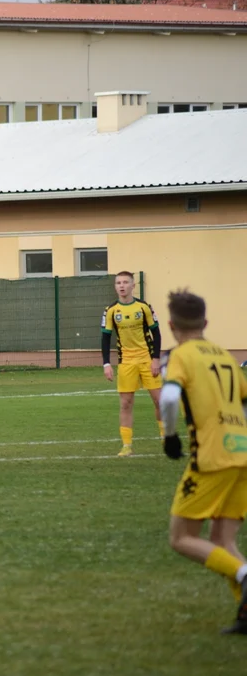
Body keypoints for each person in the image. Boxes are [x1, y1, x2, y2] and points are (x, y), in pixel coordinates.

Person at [159, 289, 247, 634]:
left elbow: (168, 397)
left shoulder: (182, 355)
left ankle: (244, 575)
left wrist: (169, 437)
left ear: (170, 324)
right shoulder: (225, 356)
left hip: (212, 458)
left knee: (181, 538)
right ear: (206, 322)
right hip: (243, 454)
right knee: (224, 541)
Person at [101, 271, 163, 457]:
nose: (122, 286)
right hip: (126, 362)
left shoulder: (144, 307)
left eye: (125, 282)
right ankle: (126, 445)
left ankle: (166, 439)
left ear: (133, 285)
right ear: (115, 286)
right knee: (126, 403)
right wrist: (106, 364)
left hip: (146, 359)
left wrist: (156, 359)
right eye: (118, 282)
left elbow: (156, 333)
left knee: (159, 401)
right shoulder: (111, 310)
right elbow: (105, 338)